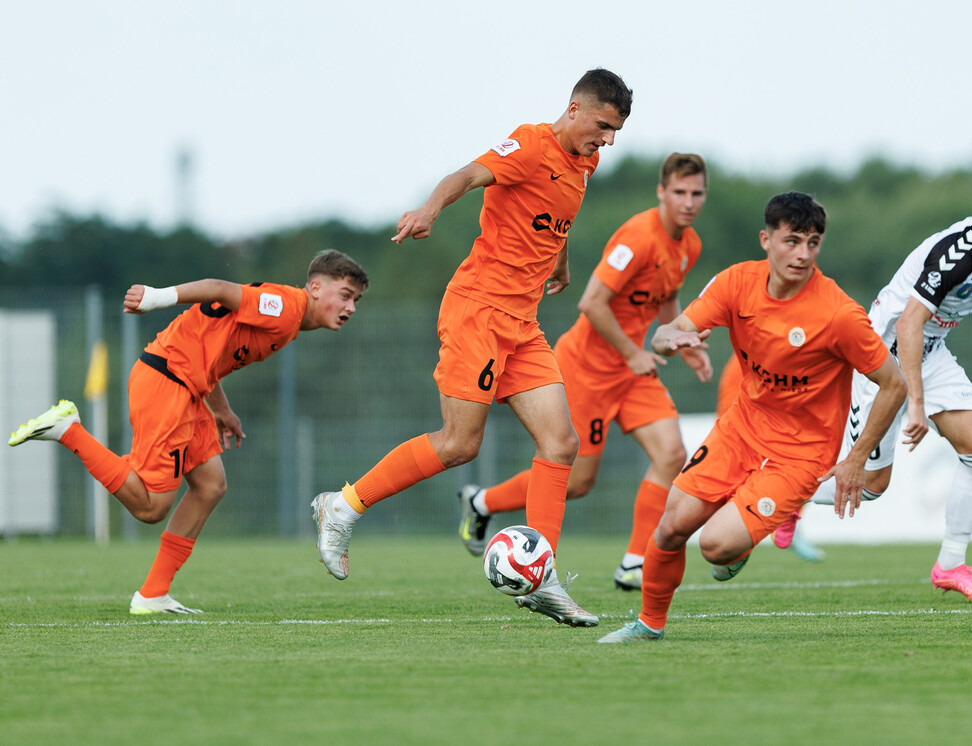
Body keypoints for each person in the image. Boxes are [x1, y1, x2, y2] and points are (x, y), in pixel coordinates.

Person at [311, 68, 633, 628]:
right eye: (603, 126)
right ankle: (341, 506)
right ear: (575, 109)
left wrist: (557, 258)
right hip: (478, 312)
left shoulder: (585, 163)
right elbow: (465, 175)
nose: (607, 140)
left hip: (522, 323)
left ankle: (542, 576)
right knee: (460, 444)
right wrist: (430, 210)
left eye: (615, 131)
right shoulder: (531, 144)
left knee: (560, 444)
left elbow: (552, 218)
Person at [598, 191, 906, 643]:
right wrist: (669, 339)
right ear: (766, 239)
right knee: (670, 526)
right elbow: (672, 331)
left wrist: (856, 458)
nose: (802, 254)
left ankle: (737, 540)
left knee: (714, 546)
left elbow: (894, 383)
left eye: (813, 243)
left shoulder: (838, 314)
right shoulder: (736, 284)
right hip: (741, 429)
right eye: (792, 240)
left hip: (800, 455)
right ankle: (648, 625)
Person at [8, 250, 368, 614]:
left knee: (210, 485)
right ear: (316, 287)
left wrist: (222, 410)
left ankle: (152, 594)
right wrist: (157, 296)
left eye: (356, 299)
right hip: (167, 382)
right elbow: (219, 288)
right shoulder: (288, 307)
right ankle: (69, 430)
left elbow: (207, 347)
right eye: (345, 294)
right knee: (151, 507)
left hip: (187, 386)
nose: (351, 307)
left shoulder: (290, 319)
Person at [808, 180, 972, 604]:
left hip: (929, 353)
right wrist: (914, 403)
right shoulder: (955, 253)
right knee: (871, 485)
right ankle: (782, 495)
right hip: (879, 356)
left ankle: (950, 565)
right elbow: (907, 324)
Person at [456, 153, 713, 592]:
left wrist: (680, 339)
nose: (688, 202)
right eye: (680, 192)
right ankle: (483, 502)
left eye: (697, 193)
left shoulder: (689, 246)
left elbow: (666, 301)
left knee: (672, 453)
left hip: (631, 371)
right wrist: (634, 352)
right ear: (661, 192)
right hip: (588, 369)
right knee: (576, 484)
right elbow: (591, 302)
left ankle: (634, 562)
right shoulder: (638, 236)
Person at [715, 355, 825, 562]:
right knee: (742, 469)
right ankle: (736, 538)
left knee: (808, 459)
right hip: (750, 393)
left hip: (778, 379)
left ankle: (788, 518)